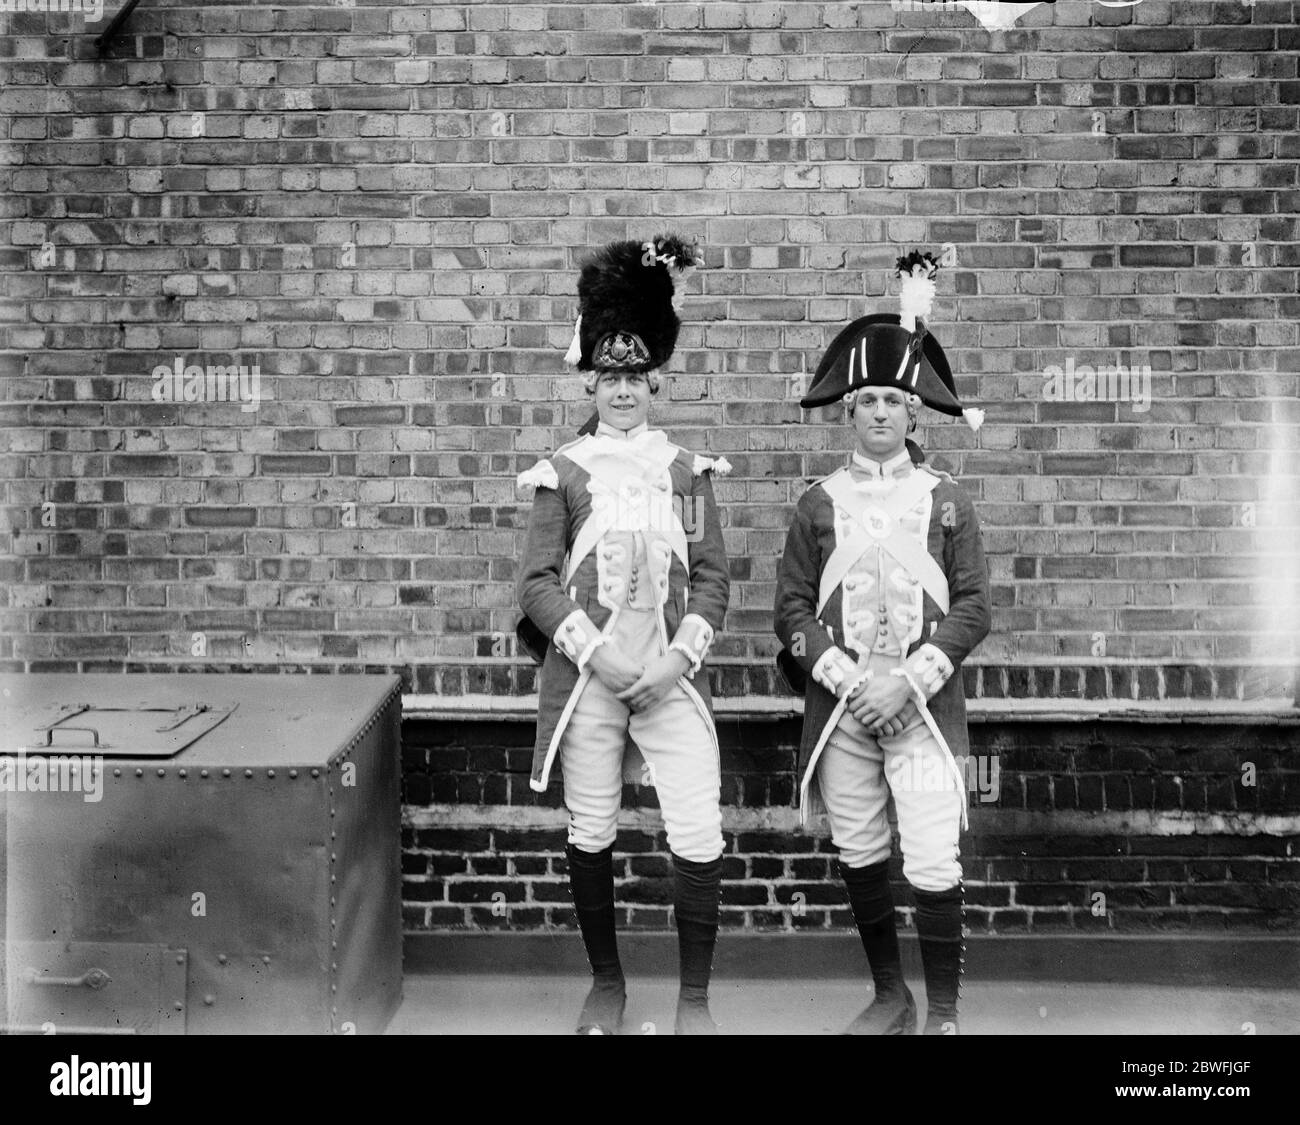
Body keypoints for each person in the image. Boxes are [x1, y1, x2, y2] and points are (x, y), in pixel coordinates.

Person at [515, 234, 732, 1035]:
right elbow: (536, 583)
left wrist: (678, 659)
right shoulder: (562, 471)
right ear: (592, 380)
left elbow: (713, 577)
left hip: (669, 676)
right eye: (610, 376)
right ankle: (607, 981)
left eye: (636, 376)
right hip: (592, 678)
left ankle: (695, 997)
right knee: (592, 823)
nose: (624, 390)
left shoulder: (690, 473)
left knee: (699, 824)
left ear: (654, 381)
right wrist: (596, 653)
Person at [773, 251, 992, 1035]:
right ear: (848, 412)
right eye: (864, 400)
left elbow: (973, 606)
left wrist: (910, 680)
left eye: (892, 401)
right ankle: (890, 994)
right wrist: (846, 678)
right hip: (842, 708)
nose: (877, 414)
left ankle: (945, 1014)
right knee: (861, 847)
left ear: (913, 414)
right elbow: (791, 609)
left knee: (933, 856)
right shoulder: (815, 504)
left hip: (924, 709)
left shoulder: (947, 502)